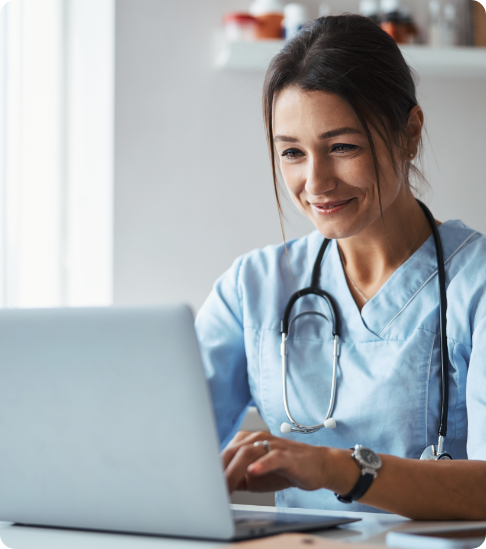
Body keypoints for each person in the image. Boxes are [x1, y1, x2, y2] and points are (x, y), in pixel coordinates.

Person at [195, 14, 486, 520]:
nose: (316, 182)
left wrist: (340, 469)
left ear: (409, 134)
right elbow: (162, 446)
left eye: (342, 147)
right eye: (291, 153)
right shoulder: (252, 288)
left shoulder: (475, 284)